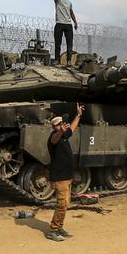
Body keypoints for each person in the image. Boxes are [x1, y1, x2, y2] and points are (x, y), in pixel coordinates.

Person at [46, 103, 84, 242]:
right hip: (59, 177)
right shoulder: (54, 138)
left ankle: (60, 227)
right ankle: (53, 230)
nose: (61, 125)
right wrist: (60, 131)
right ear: (54, 126)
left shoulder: (64, 135)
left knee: (66, 204)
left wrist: (78, 115)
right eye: (58, 124)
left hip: (67, 177)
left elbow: (73, 128)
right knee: (61, 204)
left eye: (62, 123)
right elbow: (55, 139)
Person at [49, 0, 78, 64]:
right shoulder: (58, 0)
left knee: (70, 44)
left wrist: (75, 22)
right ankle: (57, 60)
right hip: (59, 24)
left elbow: (71, 13)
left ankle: (69, 61)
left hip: (68, 25)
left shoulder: (69, 3)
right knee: (58, 43)